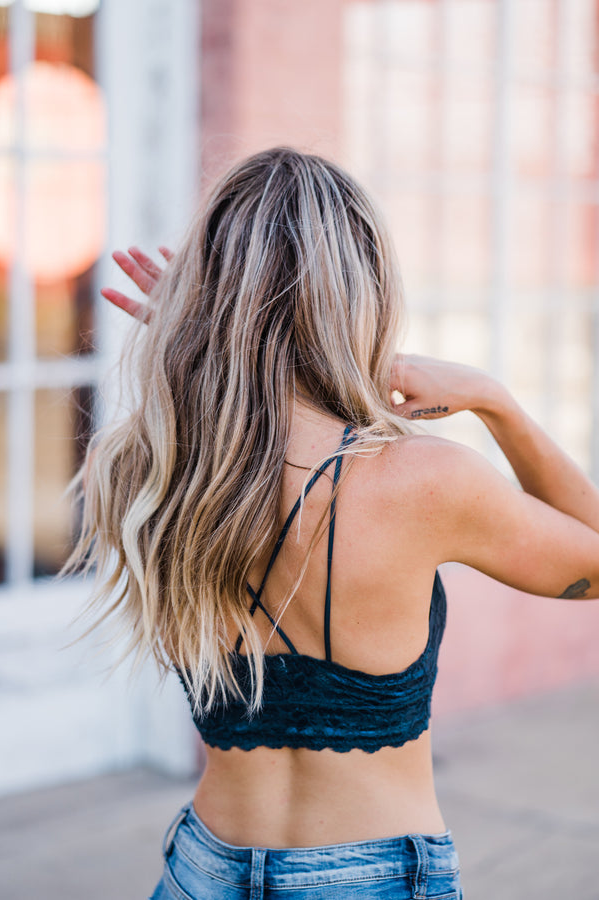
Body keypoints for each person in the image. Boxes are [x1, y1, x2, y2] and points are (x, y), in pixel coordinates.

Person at [66, 147, 599, 900]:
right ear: (361, 291)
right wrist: (493, 398)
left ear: (210, 299)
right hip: (366, 878)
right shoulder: (423, 481)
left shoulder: (146, 469)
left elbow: (236, 414)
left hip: (202, 868)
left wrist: (199, 341)